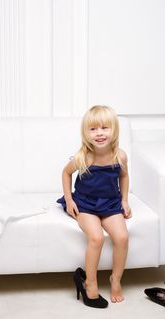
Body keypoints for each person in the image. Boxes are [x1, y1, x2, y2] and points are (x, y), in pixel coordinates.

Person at [57, 105, 132, 308]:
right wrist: (69, 200)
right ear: (86, 133)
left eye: (104, 128)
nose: (99, 133)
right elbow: (66, 173)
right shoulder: (84, 156)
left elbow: (124, 177)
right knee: (96, 237)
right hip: (85, 204)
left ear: (114, 130)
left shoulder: (120, 156)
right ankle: (89, 283)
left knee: (122, 237)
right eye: (93, 129)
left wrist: (124, 200)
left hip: (110, 203)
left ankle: (115, 279)